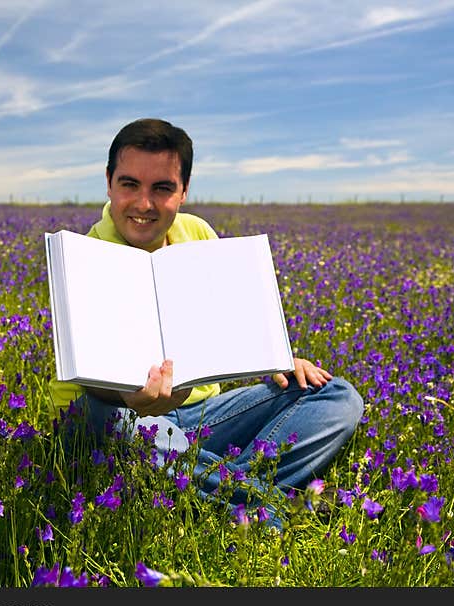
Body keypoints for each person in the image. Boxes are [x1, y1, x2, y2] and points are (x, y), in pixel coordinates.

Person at [48, 117, 364, 528]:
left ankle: (215, 489)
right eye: (129, 184)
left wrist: (279, 359)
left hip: (200, 417)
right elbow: (89, 382)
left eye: (162, 188)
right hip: (112, 417)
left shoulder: (197, 231)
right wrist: (130, 400)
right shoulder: (80, 255)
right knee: (105, 421)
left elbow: (230, 323)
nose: (144, 203)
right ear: (109, 183)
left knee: (337, 395)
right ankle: (264, 501)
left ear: (184, 191)